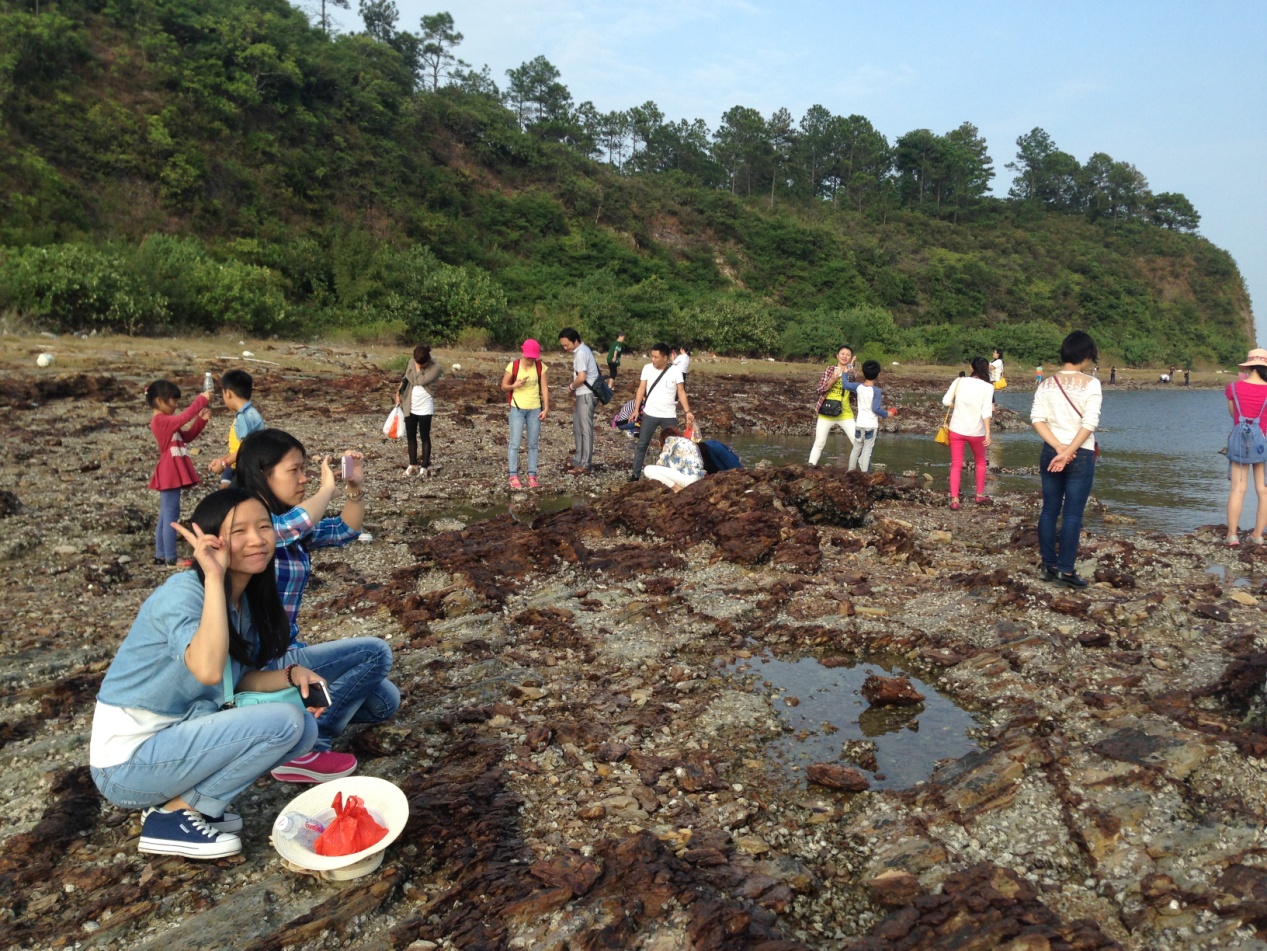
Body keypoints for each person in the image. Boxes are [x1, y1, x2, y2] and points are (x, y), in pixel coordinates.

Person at [90, 488, 325, 859]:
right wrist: (214, 577)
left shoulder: (247, 600)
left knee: (305, 728)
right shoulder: (184, 593)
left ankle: (189, 805)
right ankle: (171, 817)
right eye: (239, 531)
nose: (257, 540)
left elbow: (235, 680)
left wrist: (293, 676)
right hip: (126, 764)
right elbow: (208, 669)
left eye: (264, 527)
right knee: (285, 722)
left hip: (176, 740)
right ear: (211, 540)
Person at [234, 430, 399, 783]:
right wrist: (326, 490)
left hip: (289, 649)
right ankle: (307, 745)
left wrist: (353, 489)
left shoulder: (291, 525)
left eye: (305, 469)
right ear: (263, 474)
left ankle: (291, 722)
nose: (304, 478)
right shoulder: (250, 528)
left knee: (384, 702)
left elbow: (344, 530)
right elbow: (287, 528)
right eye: (294, 470)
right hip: (261, 663)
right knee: (375, 653)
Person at [1031, 331, 1102, 588]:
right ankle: (1066, 570)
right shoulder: (1091, 383)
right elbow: (1090, 423)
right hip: (1080, 454)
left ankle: (1048, 565)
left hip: (1051, 451)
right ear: (1087, 356)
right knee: (1072, 514)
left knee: (1050, 509)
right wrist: (1069, 451)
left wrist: (1059, 448)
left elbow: (1037, 419)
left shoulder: (1046, 384)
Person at [146, 378, 212, 567]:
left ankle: (161, 555)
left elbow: (186, 436)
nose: (176, 405)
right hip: (169, 472)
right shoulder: (160, 421)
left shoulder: (166, 422)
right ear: (160, 401)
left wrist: (201, 420)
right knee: (171, 516)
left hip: (170, 471)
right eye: (173, 401)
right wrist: (201, 400)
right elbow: (183, 418)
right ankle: (171, 557)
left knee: (165, 515)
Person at [630, 343, 695, 481]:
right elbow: (641, 389)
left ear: (665, 358)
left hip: (669, 415)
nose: (653, 359)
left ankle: (675, 475)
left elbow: (681, 392)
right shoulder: (647, 368)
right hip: (650, 414)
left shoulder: (675, 371)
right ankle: (635, 475)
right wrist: (636, 410)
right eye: (652, 356)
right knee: (642, 444)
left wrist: (687, 411)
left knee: (674, 446)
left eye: (656, 357)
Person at [1224, 349, 1267, 546]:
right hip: (1264, 442)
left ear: (1248, 367)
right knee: (1263, 491)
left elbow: (1233, 414)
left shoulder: (1233, 387)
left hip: (1240, 441)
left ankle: (1232, 535)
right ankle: (1257, 535)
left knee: (1238, 489)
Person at [943, 357, 995, 509]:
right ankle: (979, 495)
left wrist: (957, 406)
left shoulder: (959, 381)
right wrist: (988, 432)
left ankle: (955, 500)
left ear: (972, 368)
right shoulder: (988, 387)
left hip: (956, 429)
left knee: (956, 464)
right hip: (976, 431)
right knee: (980, 462)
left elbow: (946, 401)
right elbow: (986, 411)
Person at [500, 339, 549, 490]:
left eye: (533, 358)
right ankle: (513, 475)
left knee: (533, 444)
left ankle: (532, 475)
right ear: (523, 353)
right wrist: (514, 385)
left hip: (535, 409)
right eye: (528, 357)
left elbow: (544, 388)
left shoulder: (540, 367)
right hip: (517, 409)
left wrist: (546, 408)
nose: (530, 360)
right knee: (515, 443)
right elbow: (503, 386)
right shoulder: (513, 366)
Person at [208, 369, 265, 488]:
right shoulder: (248, 413)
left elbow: (245, 448)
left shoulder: (244, 418)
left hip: (245, 469)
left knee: (232, 495)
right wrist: (221, 460)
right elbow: (238, 448)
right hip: (237, 464)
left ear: (228, 393)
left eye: (223, 393)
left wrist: (224, 464)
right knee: (224, 490)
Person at [395, 344, 443, 477]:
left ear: (427, 360)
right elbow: (406, 378)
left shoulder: (435, 367)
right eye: (417, 363)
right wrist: (398, 393)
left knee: (424, 436)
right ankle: (412, 464)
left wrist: (416, 367)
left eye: (422, 364)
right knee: (411, 436)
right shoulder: (412, 362)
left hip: (425, 407)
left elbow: (420, 380)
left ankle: (424, 467)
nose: (420, 366)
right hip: (410, 404)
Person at [559, 328, 601, 474]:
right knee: (578, 426)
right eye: (563, 346)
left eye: (566, 345)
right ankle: (578, 459)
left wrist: (571, 387)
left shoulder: (581, 353)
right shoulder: (582, 351)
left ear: (575, 341)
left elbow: (581, 378)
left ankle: (585, 464)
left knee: (585, 429)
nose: (565, 348)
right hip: (583, 394)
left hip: (587, 394)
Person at [843, 360, 895, 473]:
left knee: (856, 449)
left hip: (859, 424)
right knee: (867, 451)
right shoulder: (876, 391)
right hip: (870, 425)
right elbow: (875, 409)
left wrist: (845, 373)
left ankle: (850, 471)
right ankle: (865, 474)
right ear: (878, 374)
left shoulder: (858, 387)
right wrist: (887, 414)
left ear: (863, 372)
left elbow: (845, 384)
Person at [808, 346, 857, 465]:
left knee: (857, 442)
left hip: (845, 413)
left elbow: (853, 388)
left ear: (851, 358)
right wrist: (832, 380)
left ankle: (865, 470)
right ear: (837, 355)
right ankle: (810, 466)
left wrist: (850, 369)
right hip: (827, 412)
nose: (845, 357)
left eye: (848, 355)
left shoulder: (852, 373)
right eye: (842, 354)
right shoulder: (830, 369)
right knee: (819, 443)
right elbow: (820, 390)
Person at [642, 426, 705, 492]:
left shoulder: (670, 439)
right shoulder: (690, 442)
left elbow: (661, 461)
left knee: (648, 470)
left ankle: (677, 489)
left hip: (686, 478)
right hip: (698, 479)